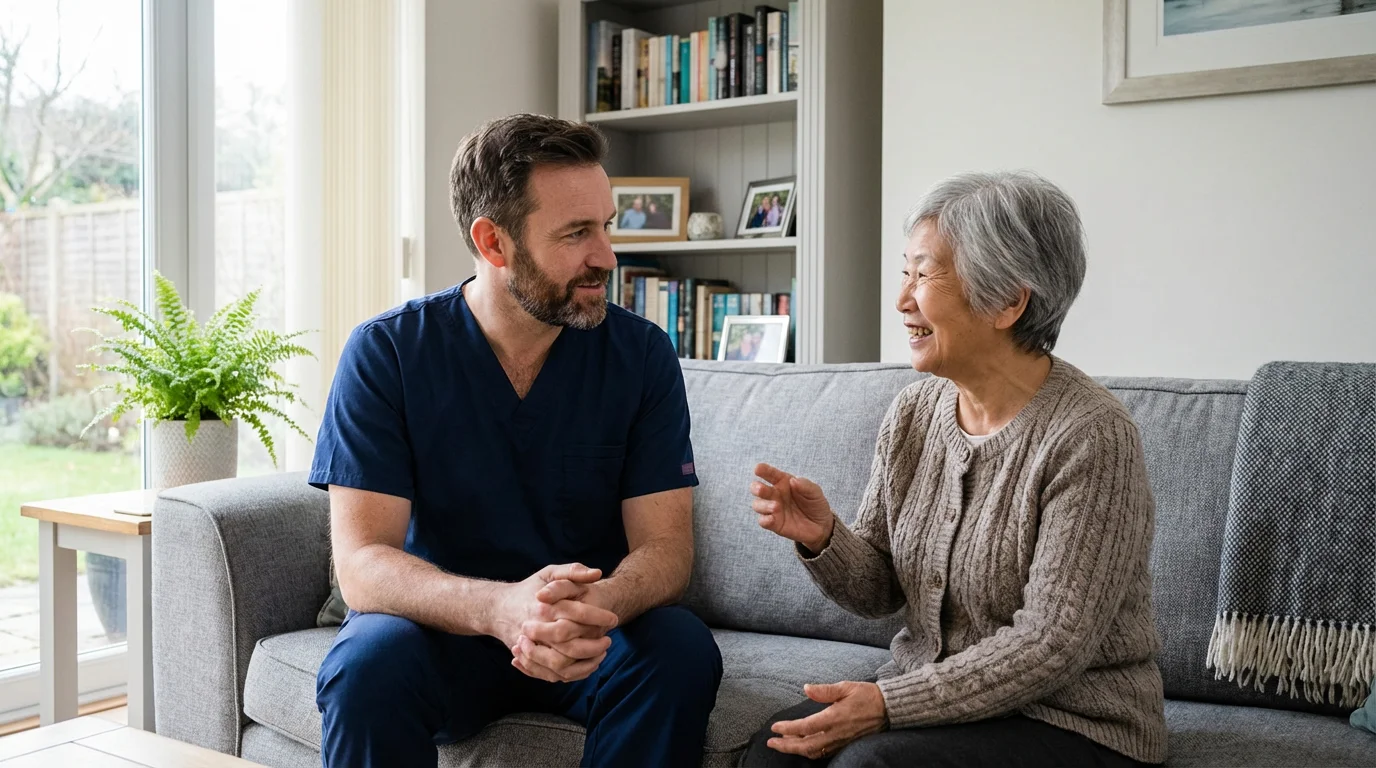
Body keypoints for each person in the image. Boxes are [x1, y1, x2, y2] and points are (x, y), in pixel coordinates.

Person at [311, 113, 722, 768]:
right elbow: (362, 566)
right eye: (576, 233)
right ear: (493, 243)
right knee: (366, 666)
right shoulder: (386, 353)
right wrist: (502, 608)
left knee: (679, 646)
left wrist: (594, 607)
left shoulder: (640, 355)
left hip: (586, 634)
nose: (607, 257)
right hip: (440, 631)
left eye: (607, 225)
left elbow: (667, 547)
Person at [742, 170, 1167, 767]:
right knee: (776, 751)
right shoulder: (916, 412)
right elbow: (883, 589)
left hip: (1075, 721)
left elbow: (1052, 645)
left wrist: (887, 703)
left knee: (871, 766)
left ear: (1008, 302)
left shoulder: (1091, 436)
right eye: (905, 272)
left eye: (925, 274)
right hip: (941, 705)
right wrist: (824, 538)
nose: (902, 300)